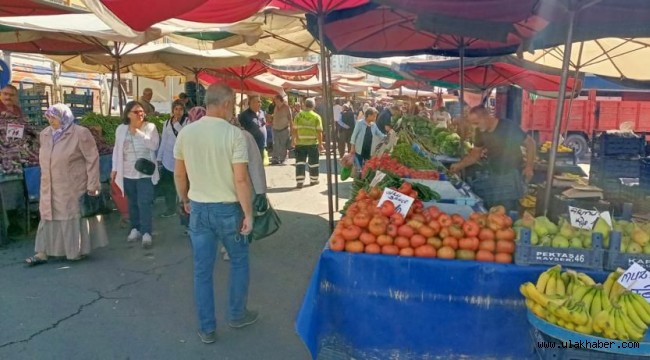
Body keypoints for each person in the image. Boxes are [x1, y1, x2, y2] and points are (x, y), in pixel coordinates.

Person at [173, 83, 256, 344]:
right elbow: (241, 180)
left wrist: (184, 198)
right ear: (227, 104)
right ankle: (236, 314)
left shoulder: (187, 132)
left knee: (202, 271)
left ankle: (207, 328)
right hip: (228, 209)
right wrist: (248, 214)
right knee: (239, 262)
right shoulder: (234, 135)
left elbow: (179, 173)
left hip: (198, 208)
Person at [25, 104, 107, 265]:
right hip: (49, 184)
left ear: (64, 116)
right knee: (48, 216)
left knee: (70, 216)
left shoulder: (80, 133)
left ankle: (74, 250)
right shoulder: (45, 134)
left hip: (72, 184)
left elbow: (92, 158)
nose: (51, 121)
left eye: (54, 117)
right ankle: (42, 252)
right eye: (48, 117)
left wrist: (92, 184)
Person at [450, 106, 536, 210]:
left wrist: (529, 167)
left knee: (508, 207)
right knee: (493, 206)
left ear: (486, 117)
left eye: (476, 123)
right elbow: (475, 155)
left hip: (512, 174)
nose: (474, 126)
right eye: (473, 124)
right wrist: (459, 165)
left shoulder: (508, 126)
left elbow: (530, 143)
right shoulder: (480, 132)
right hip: (494, 173)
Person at [111, 101, 160, 248]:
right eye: (136, 112)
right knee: (132, 202)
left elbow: (154, 145)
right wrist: (114, 169)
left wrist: (138, 133)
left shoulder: (150, 127)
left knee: (144, 202)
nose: (140, 114)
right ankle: (135, 228)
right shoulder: (121, 129)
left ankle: (146, 232)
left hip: (144, 173)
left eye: (141, 112)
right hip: (127, 172)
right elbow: (116, 149)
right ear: (128, 114)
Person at [157, 100, 188, 217]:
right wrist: (159, 157)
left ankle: (183, 207)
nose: (178, 112)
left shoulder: (187, 122)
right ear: (172, 110)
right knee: (168, 186)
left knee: (182, 184)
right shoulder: (166, 123)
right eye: (176, 109)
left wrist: (176, 125)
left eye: (180, 109)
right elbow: (164, 141)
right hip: (168, 158)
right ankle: (170, 208)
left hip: (181, 158)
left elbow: (185, 135)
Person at [292, 98, 323, 188]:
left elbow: (294, 130)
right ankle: (313, 180)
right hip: (312, 144)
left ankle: (300, 182)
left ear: (304, 105)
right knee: (313, 163)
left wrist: (293, 140)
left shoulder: (298, 116)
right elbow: (319, 132)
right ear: (313, 106)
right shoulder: (316, 116)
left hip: (300, 144)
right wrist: (320, 144)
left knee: (300, 163)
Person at [270, 95, 292, 165]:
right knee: (275, 144)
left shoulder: (286, 107)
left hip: (284, 129)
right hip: (275, 128)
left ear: (280, 100)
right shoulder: (275, 107)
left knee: (283, 145)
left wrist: (292, 130)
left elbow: (290, 119)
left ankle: (283, 159)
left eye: (276, 100)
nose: (275, 101)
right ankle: (275, 159)